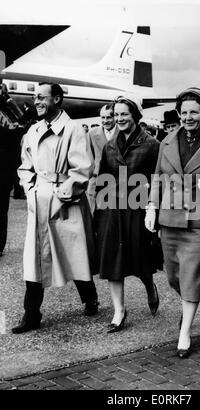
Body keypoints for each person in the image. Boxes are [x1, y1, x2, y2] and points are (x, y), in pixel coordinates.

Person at [145, 87, 200, 358]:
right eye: (184, 112)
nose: (187, 117)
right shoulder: (167, 142)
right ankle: (187, 307)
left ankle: (185, 332)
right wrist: (151, 206)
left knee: (192, 275)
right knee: (174, 275)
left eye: (194, 112)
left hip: (198, 221)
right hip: (169, 219)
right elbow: (158, 177)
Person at [12, 82, 99, 334]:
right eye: (34, 97)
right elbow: (25, 167)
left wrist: (62, 193)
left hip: (65, 201)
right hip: (39, 200)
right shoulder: (33, 131)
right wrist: (31, 190)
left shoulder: (73, 129)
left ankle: (90, 297)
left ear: (57, 99)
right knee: (35, 259)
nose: (36, 102)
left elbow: (82, 169)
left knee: (74, 252)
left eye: (41, 97)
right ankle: (32, 314)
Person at [94, 95, 162, 333]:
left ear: (135, 116)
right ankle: (119, 311)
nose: (120, 118)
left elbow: (158, 179)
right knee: (113, 262)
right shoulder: (109, 146)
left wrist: (152, 205)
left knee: (142, 261)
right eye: (117, 114)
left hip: (138, 210)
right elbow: (103, 179)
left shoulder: (151, 144)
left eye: (125, 114)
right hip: (113, 212)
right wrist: (99, 215)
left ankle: (150, 287)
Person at [0, 83, 25, 256]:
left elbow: (22, 119)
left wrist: (8, 99)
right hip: (5, 169)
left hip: (3, 171)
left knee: (1, 211)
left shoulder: (7, 111)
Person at [87, 104, 118, 212]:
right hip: (96, 180)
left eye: (109, 117)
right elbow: (89, 157)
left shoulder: (122, 133)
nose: (105, 121)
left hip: (116, 181)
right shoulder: (92, 133)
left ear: (115, 117)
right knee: (92, 214)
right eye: (102, 117)